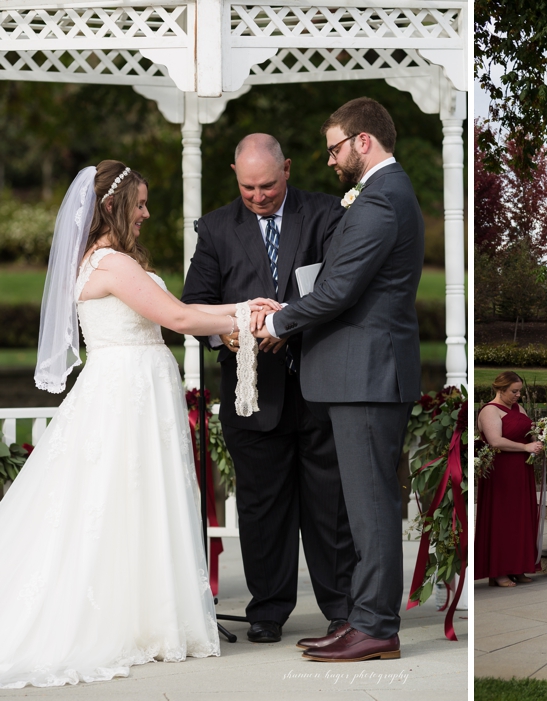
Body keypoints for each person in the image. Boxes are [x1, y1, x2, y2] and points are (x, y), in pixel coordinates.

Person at [0, 162, 277, 687]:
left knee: (130, 501)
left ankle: (141, 615)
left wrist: (241, 307)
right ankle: (130, 621)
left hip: (132, 385)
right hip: (127, 390)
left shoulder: (104, 261)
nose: (148, 213)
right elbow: (179, 320)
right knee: (120, 497)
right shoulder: (110, 263)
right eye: (141, 203)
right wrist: (248, 314)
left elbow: (180, 310)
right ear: (112, 206)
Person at [258, 98, 426, 663]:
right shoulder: (380, 194)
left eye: (334, 148)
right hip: (360, 376)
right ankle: (361, 618)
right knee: (361, 506)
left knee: (372, 506)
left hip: (369, 377)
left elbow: (339, 290)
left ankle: (377, 626)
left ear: (362, 142)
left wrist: (279, 320)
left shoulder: (382, 198)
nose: (329, 161)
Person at [182, 133, 353, 646]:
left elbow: (339, 291)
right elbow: (195, 306)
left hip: (319, 387)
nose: (257, 196)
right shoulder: (214, 228)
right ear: (235, 174)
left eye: (268, 186)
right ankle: (268, 610)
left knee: (331, 507)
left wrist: (288, 327)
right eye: (247, 187)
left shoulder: (327, 214)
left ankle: (341, 608)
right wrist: (235, 336)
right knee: (261, 508)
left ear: (289, 169)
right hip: (250, 394)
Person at [477, 371, 544, 588]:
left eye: (519, 392)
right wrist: (525, 447)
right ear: (500, 389)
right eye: (513, 391)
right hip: (501, 471)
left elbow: (528, 431)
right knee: (503, 519)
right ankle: (499, 571)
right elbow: (495, 441)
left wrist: (541, 439)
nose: (517, 396)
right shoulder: (490, 410)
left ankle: (518, 567)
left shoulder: (519, 408)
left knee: (521, 517)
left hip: (522, 470)